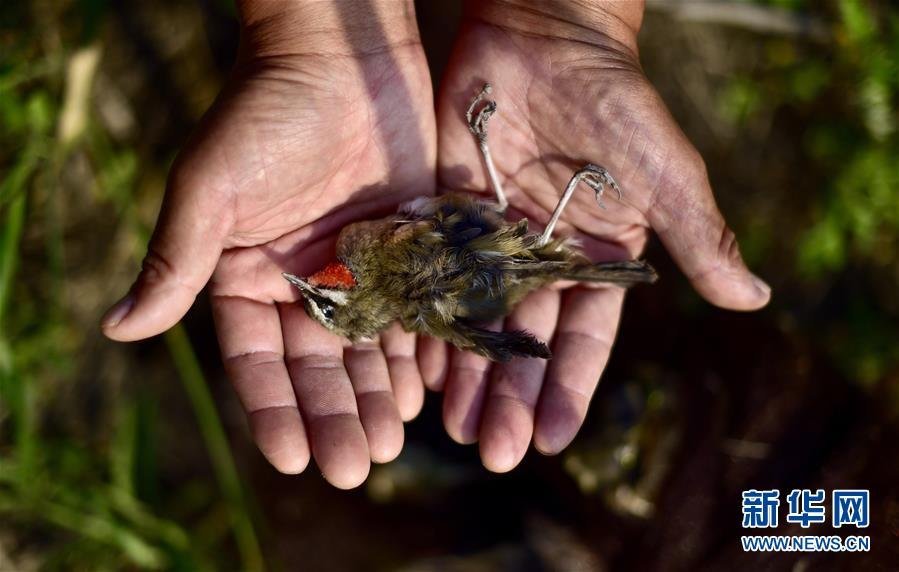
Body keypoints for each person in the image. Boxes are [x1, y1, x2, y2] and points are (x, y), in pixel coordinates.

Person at [100, 0, 770, 489]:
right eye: (324, 302)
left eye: (312, 292)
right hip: (486, 239)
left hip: (481, 231)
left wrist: (306, 39)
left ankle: (571, 246)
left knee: (519, 234)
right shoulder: (389, 282)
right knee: (522, 237)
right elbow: (476, 272)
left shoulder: (364, 260)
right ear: (355, 314)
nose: (310, 283)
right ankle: (574, 245)